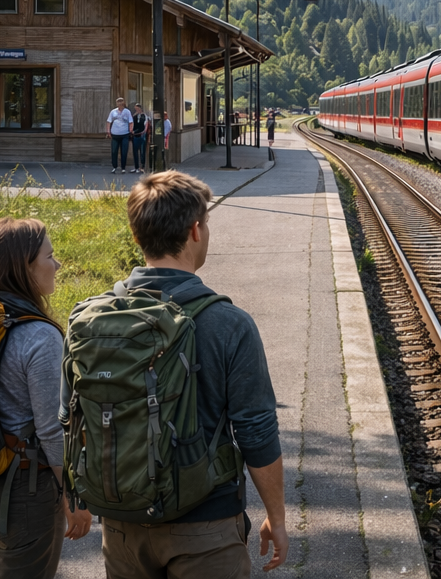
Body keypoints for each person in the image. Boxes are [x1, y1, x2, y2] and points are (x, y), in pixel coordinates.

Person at [70, 172, 287, 576]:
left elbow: (72, 418)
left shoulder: (92, 319)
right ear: (195, 231)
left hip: (121, 525)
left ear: (136, 236)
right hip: (205, 526)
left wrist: (77, 499)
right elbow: (256, 430)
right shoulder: (228, 323)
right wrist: (277, 516)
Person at [0, 219, 93, 578]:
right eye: (49, 256)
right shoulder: (38, 335)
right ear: (23, 268)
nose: (57, 265)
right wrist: (73, 496)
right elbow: (51, 429)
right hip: (23, 495)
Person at [106, 97, 134, 174]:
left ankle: (123, 168)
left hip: (124, 134)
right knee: (114, 151)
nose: (119, 104)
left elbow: (131, 122)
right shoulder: (113, 112)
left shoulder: (127, 112)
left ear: (123, 103)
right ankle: (114, 167)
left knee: (124, 151)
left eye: (121, 102)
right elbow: (109, 121)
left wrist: (131, 130)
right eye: (118, 102)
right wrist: (108, 131)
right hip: (115, 134)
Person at [130, 103, 150, 172]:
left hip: (142, 134)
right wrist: (132, 131)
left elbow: (146, 125)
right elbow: (132, 124)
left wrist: (144, 131)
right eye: (136, 109)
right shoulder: (134, 116)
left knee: (142, 151)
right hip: (135, 135)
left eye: (138, 108)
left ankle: (142, 166)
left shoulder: (144, 116)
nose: (137, 110)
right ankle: (136, 167)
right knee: (135, 151)